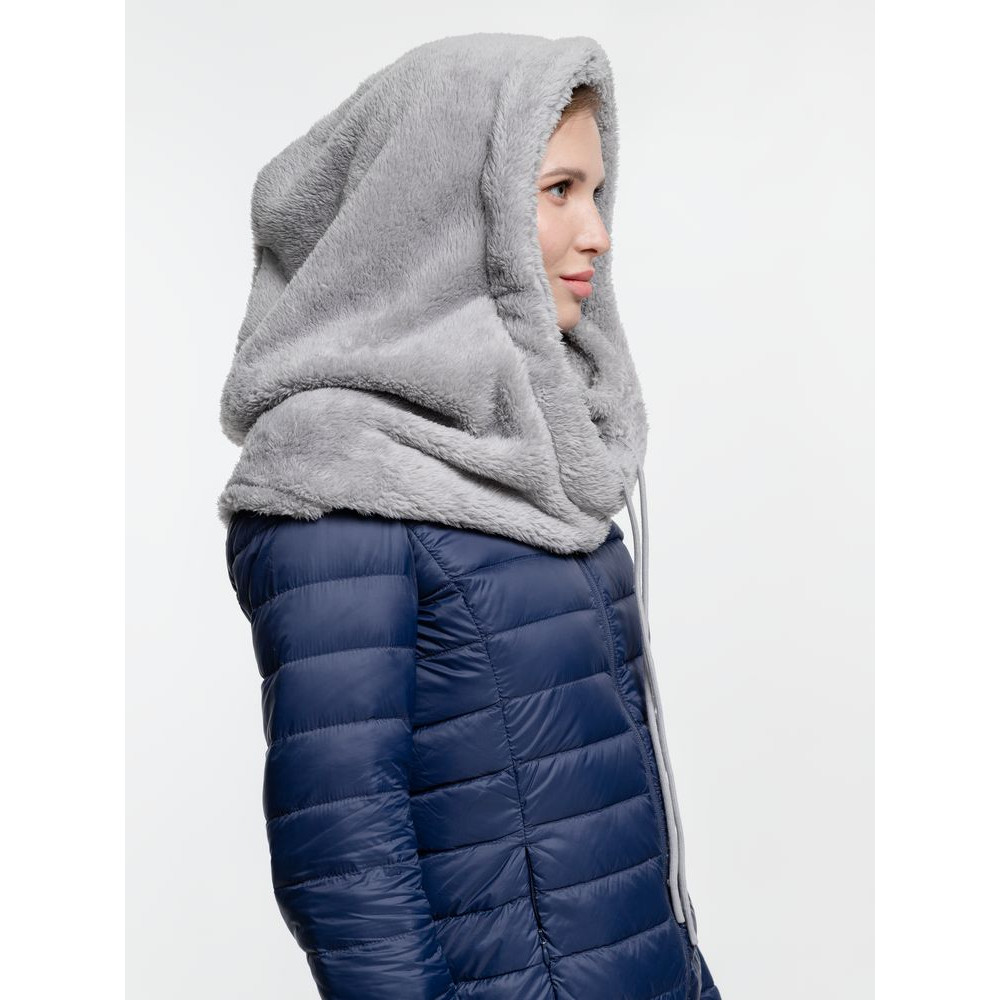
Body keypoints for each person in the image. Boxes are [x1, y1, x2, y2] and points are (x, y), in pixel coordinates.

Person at [218, 33, 722, 1000]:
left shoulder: (547, 451)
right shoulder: (336, 475)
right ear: (451, 206)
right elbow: (344, 865)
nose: (597, 233)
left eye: (597, 191)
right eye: (558, 190)